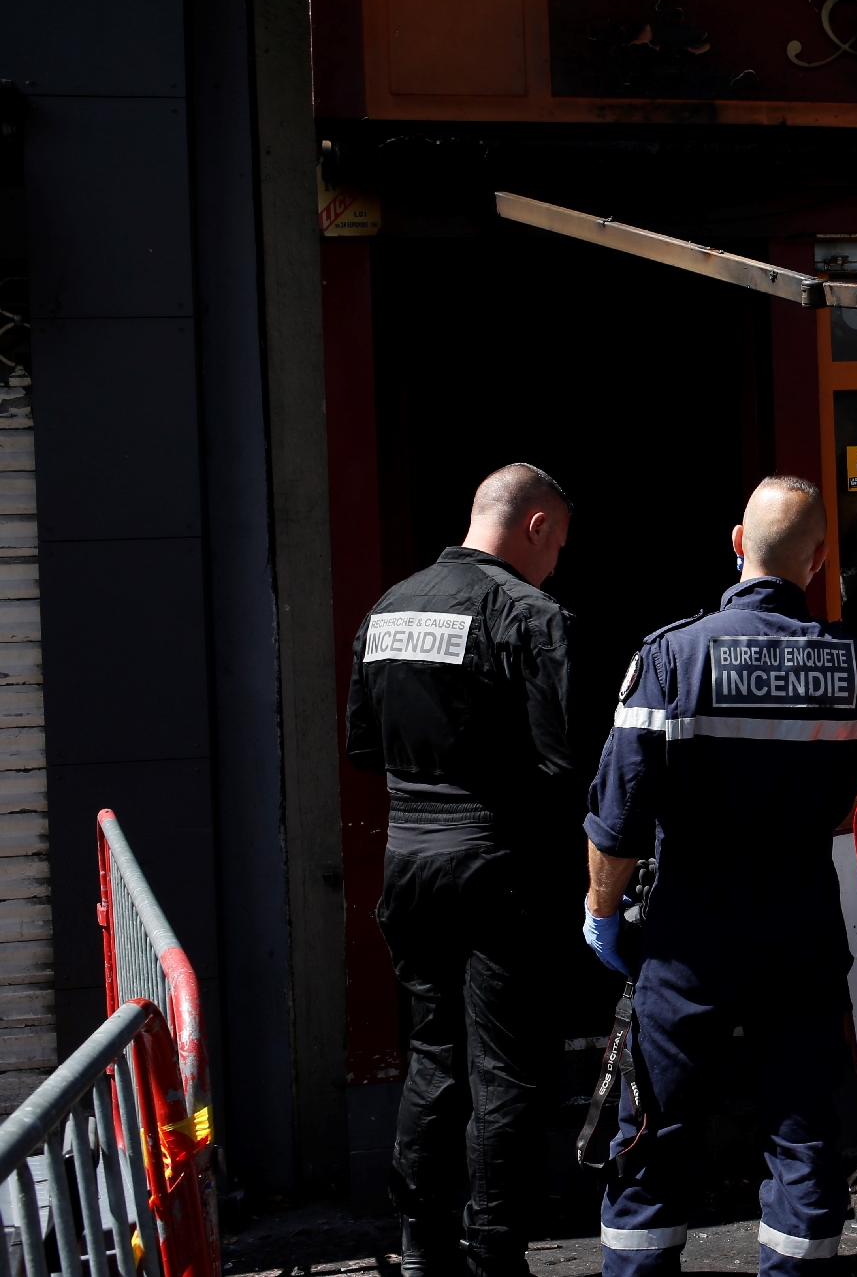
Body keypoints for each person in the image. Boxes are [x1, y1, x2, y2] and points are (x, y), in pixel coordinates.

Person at [582, 475, 857, 1277]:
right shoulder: (856, 665)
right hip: (801, 917)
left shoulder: (672, 653)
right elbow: (839, 798)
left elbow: (618, 817)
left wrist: (603, 913)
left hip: (692, 922)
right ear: (817, 561)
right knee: (803, 1122)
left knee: (659, 1120)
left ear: (737, 542)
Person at [346, 463, 578, 1277]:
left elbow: (363, 745)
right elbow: (561, 761)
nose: (555, 565)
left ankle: (418, 1244)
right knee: (503, 1067)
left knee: (433, 1053)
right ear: (537, 525)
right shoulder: (529, 613)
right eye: (557, 546)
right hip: (495, 860)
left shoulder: (388, 607)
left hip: (407, 856)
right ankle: (495, 1251)